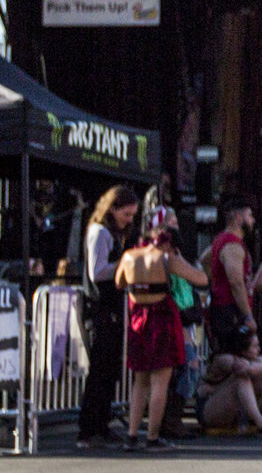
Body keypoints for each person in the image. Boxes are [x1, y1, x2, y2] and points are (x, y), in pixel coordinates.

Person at [115, 209, 212, 451]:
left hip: (138, 319)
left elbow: (119, 282)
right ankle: (152, 437)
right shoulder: (168, 259)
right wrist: (178, 259)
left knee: (140, 381)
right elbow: (201, 279)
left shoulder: (129, 256)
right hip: (162, 318)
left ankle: (131, 435)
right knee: (160, 381)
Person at [75, 186, 140, 449]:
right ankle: (89, 427)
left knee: (110, 369)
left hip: (110, 306)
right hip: (99, 307)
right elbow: (97, 271)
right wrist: (125, 263)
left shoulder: (112, 233)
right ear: (112, 209)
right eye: (126, 214)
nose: (129, 220)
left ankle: (101, 423)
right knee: (100, 369)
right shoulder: (99, 232)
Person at [201, 328, 262, 437]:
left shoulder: (257, 359)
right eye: (254, 346)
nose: (258, 349)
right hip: (209, 411)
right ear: (243, 350)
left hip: (234, 414)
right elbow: (248, 370)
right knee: (242, 379)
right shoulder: (224, 359)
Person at [203, 202, 257, 354]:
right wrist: (248, 316)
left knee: (234, 355)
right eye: (250, 216)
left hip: (226, 311)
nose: (253, 221)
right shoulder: (232, 244)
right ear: (238, 218)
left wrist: (215, 281)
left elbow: (203, 260)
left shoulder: (220, 241)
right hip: (231, 313)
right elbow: (236, 282)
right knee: (236, 357)